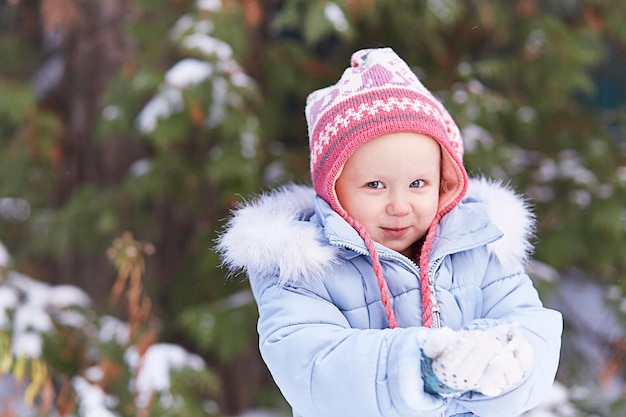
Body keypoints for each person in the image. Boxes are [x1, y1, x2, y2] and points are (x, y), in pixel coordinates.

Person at [216, 47, 562, 417]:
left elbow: (532, 327)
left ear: (443, 183)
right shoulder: (302, 269)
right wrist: (419, 368)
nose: (399, 205)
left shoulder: (479, 246)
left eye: (417, 183)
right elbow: (313, 368)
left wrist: (500, 358)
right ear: (333, 187)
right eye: (375, 185)